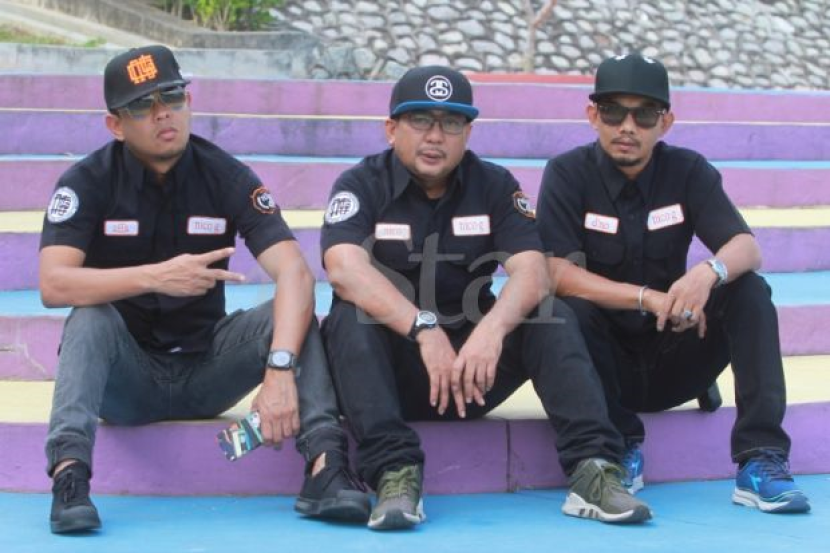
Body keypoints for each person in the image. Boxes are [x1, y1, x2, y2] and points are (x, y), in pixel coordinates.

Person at [39, 45, 370, 534]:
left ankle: (326, 464)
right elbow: (53, 283)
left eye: (172, 96)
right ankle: (69, 477)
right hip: (127, 380)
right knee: (90, 318)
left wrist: (279, 369)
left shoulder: (225, 175)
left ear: (189, 101)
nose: (163, 113)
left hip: (207, 367)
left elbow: (295, 273)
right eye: (142, 106)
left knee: (291, 309)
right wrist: (155, 276)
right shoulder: (87, 181)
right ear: (116, 125)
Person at [319, 65, 652, 531]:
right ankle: (395, 474)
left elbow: (533, 271)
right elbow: (343, 268)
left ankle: (593, 468)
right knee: (349, 316)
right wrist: (423, 329)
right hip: (392, 374)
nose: (436, 136)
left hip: (474, 372)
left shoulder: (494, 184)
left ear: (468, 133)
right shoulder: (360, 184)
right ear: (391, 129)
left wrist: (491, 331)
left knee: (550, 312)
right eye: (421, 120)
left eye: (451, 123)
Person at [535, 52, 810, 513]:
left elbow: (746, 246)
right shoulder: (567, 173)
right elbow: (554, 273)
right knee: (562, 309)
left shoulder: (687, 170)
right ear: (592, 115)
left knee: (749, 289)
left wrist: (706, 273)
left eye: (644, 115)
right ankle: (619, 447)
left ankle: (760, 458)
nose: (627, 127)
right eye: (613, 112)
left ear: (665, 122)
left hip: (678, 356)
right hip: (605, 371)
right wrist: (648, 298)